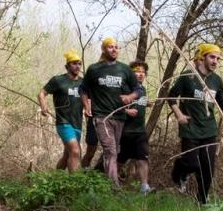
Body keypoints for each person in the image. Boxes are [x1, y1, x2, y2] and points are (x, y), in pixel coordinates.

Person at [168, 43, 223, 204]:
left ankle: (202, 201)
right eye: (212, 57)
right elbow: (171, 96)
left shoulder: (216, 80)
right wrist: (179, 115)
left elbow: (220, 100)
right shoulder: (188, 77)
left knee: (208, 167)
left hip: (209, 129)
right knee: (192, 162)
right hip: (190, 128)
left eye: (218, 58)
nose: (215, 61)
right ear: (202, 57)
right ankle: (179, 170)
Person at [80, 37, 138, 186]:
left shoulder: (125, 69)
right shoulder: (94, 69)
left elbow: (138, 90)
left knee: (114, 151)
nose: (114, 50)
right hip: (101, 117)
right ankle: (114, 186)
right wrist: (86, 106)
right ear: (104, 49)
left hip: (120, 117)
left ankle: (105, 181)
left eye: (116, 47)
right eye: (110, 47)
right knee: (111, 151)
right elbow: (83, 89)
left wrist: (130, 97)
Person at [38, 50, 84, 172]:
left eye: (79, 63)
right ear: (67, 66)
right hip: (63, 122)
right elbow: (42, 93)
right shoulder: (58, 80)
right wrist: (43, 106)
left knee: (68, 155)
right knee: (75, 151)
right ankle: (73, 186)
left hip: (77, 123)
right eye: (74, 63)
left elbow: (89, 99)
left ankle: (55, 179)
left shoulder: (83, 83)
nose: (77, 66)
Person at [118, 60, 153, 193]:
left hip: (139, 131)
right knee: (120, 160)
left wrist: (146, 103)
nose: (140, 74)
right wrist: (126, 111)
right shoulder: (125, 88)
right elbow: (113, 106)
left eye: (143, 72)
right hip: (125, 131)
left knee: (143, 158)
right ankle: (109, 183)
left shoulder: (142, 89)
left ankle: (144, 187)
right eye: (137, 71)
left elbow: (139, 102)